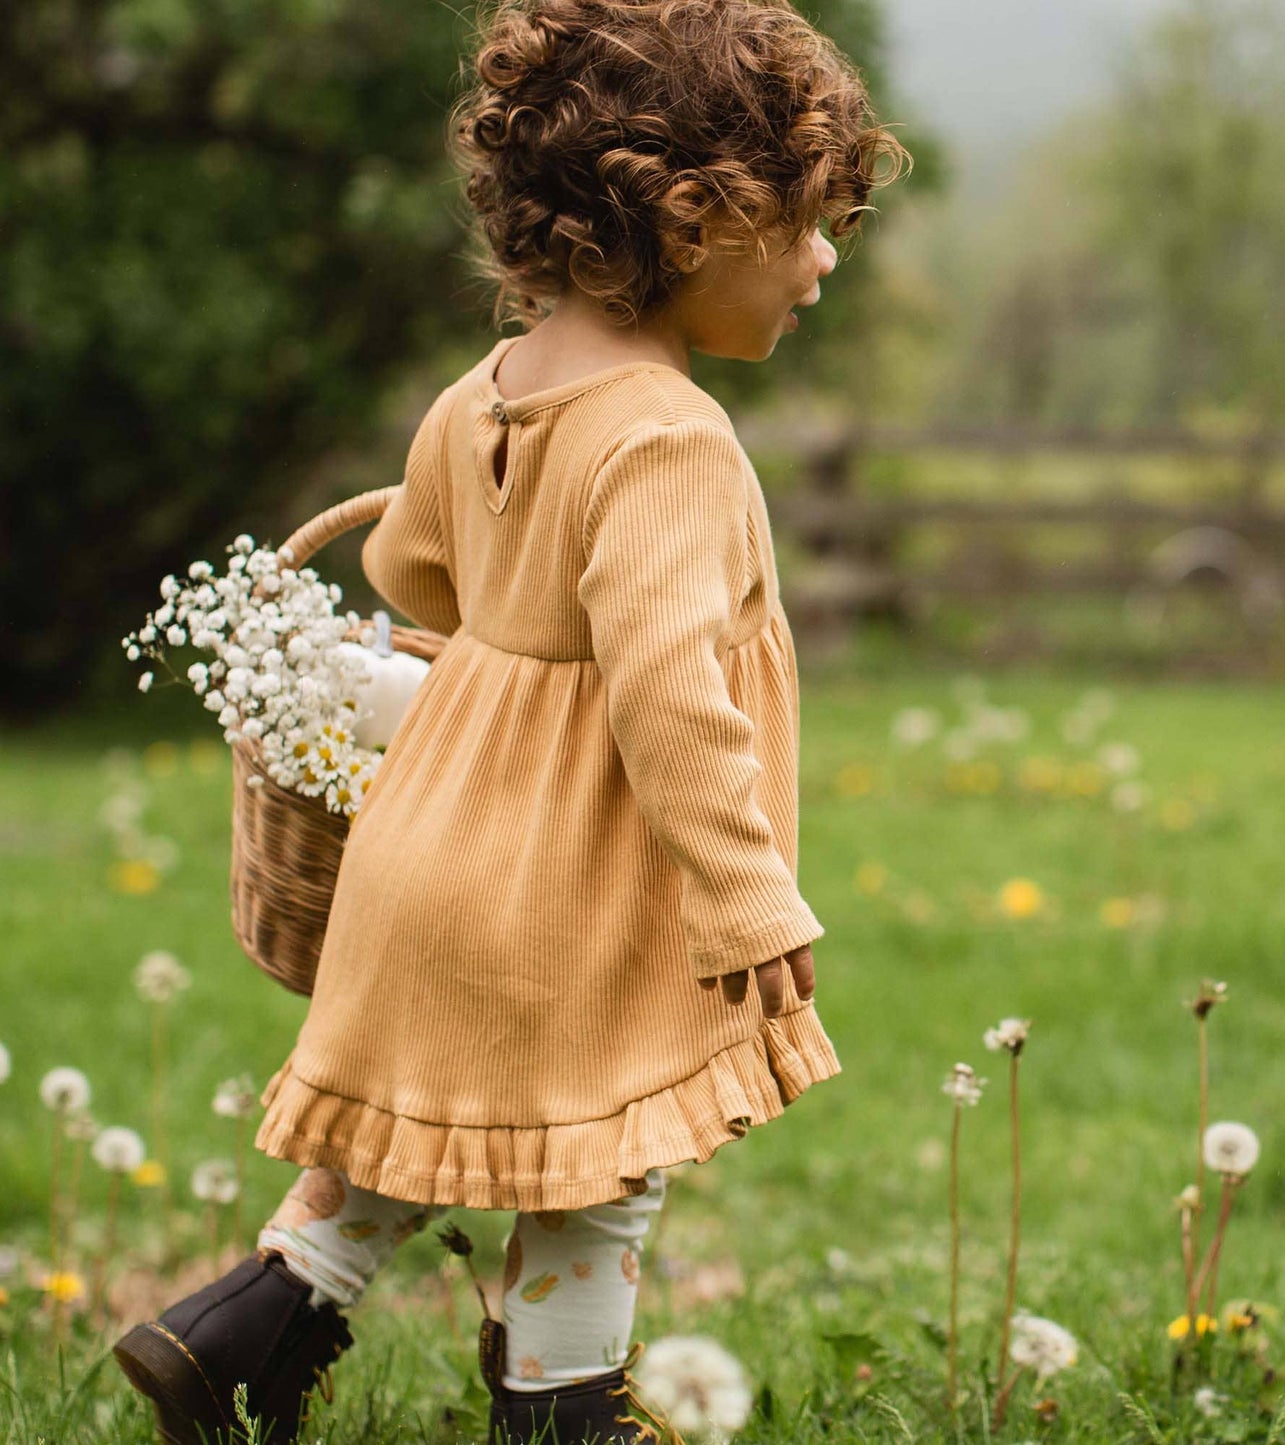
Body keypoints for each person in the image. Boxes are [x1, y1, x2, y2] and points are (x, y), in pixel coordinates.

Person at [113, 1, 908, 1440]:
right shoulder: (666, 436)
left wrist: (512, 642)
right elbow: (670, 691)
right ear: (695, 216)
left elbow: (405, 569)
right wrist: (743, 895)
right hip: (561, 893)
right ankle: (561, 1412)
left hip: (434, 850)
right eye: (802, 223)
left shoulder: (484, 393)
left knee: (422, 1131)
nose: (823, 259)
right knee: (596, 1172)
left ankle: (231, 1333)